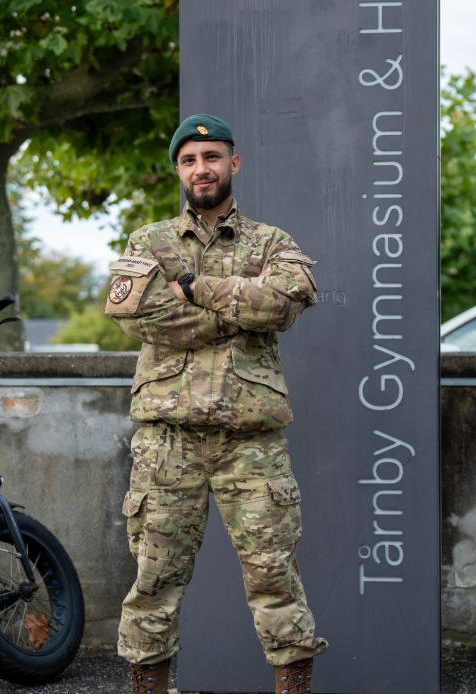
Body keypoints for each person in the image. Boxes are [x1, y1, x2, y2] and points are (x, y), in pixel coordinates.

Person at [105, 114, 327, 694]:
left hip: (250, 444)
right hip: (167, 441)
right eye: (188, 160)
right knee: (154, 579)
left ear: (234, 163)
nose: (200, 169)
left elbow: (283, 304)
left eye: (211, 157)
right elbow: (136, 315)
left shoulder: (272, 242)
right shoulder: (147, 241)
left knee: (274, 575)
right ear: (178, 170)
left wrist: (196, 289)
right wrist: (235, 311)